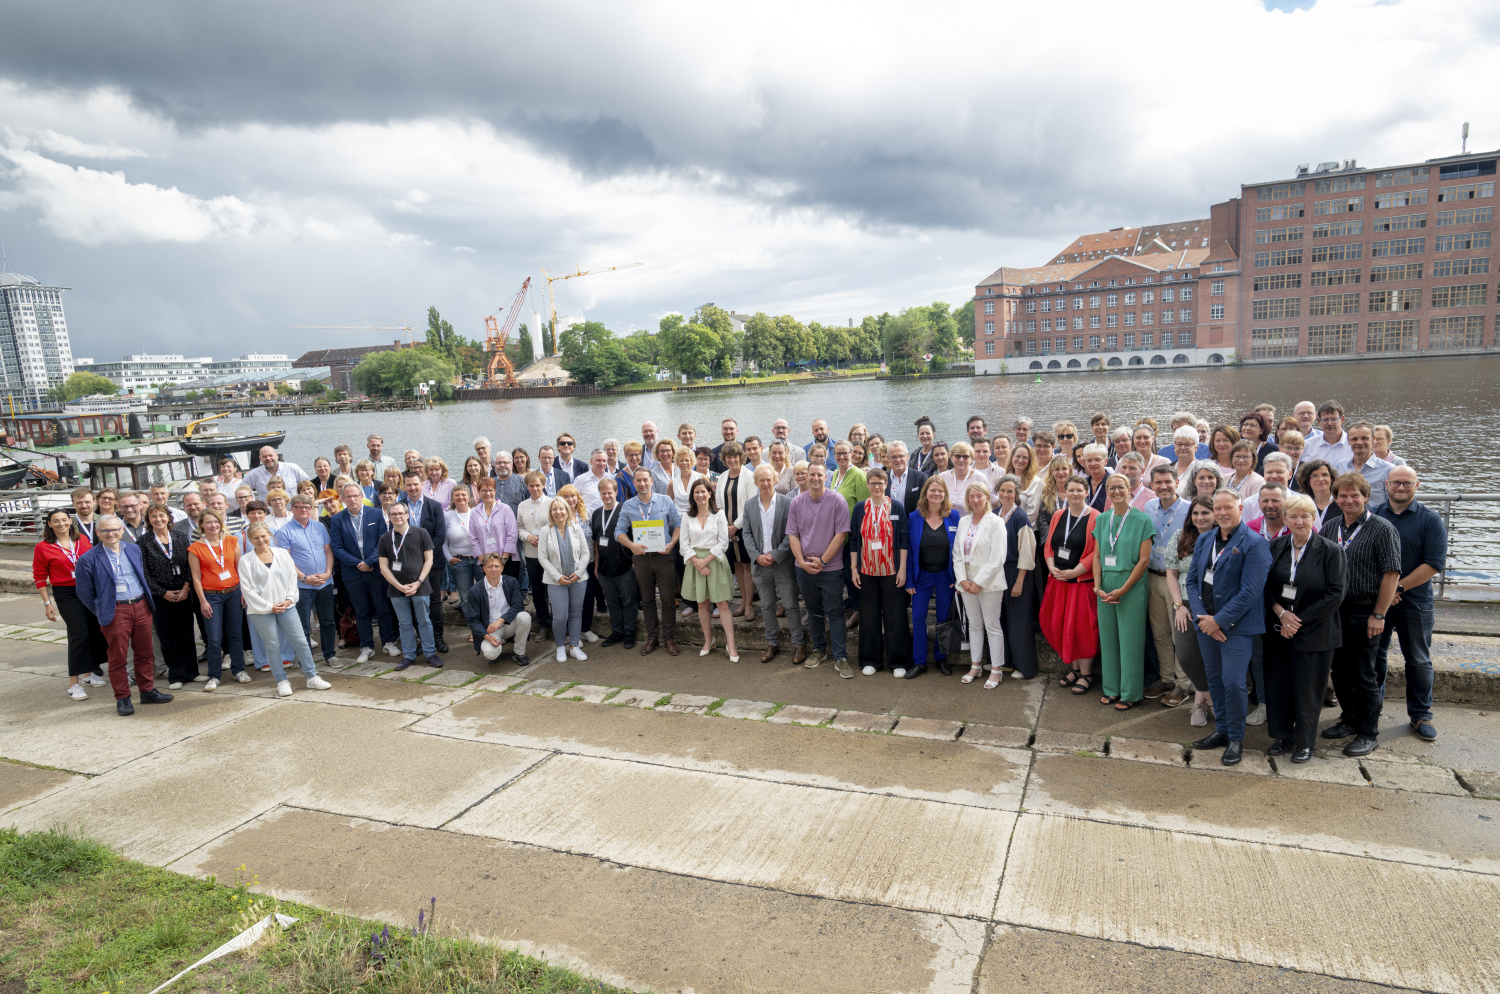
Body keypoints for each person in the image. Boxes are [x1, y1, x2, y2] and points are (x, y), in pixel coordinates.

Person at [1186, 490, 1272, 766]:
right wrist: (1202, 617)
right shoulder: (1204, 538)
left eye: (1227, 508)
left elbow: (1250, 592)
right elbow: (1192, 581)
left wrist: (1218, 621)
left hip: (1236, 626)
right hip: (1206, 624)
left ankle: (1236, 738)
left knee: (1234, 683)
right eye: (1217, 508)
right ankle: (1221, 730)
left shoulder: (1255, 543)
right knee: (1214, 679)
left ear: (1240, 507)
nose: (1222, 513)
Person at [1319, 472, 1402, 757]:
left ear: (1366, 497)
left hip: (1365, 609)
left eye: (1355, 495)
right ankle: (1350, 719)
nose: (1348, 500)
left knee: (1364, 673)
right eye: (1342, 495)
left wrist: (1378, 615)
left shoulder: (1382, 528)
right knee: (1339, 670)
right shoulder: (1329, 527)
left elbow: (1391, 574)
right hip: (1334, 611)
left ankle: (1368, 732)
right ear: (1336, 498)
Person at [1264, 493, 1347, 763]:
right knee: (1280, 686)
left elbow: (1335, 594)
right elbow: (1265, 587)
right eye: (1293, 516)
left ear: (1314, 519)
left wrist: (1296, 620)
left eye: (1305, 516)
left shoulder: (1331, 551)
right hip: (1279, 630)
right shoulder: (1274, 546)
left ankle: (1304, 742)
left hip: (1315, 631)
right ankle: (1283, 736)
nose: (1299, 521)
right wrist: (1279, 612)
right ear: (1285, 519)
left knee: (1308, 690)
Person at [1375, 465, 1447, 742]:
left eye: (1407, 483)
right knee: (1375, 658)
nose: (1401, 487)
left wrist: (1398, 587)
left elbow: (1433, 564)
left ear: (1417, 485)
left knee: (1418, 660)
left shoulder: (1430, 520)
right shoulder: (1374, 516)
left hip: (1415, 603)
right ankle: (1373, 710)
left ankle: (1421, 715)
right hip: (1379, 603)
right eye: (1396, 483)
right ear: (1386, 484)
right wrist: (1383, 593)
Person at [75, 515, 172, 716]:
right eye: (105, 531)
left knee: (145, 653)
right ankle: (122, 697)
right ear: (98, 533)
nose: (110, 534)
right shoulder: (88, 559)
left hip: (140, 605)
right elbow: (84, 592)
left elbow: (141, 575)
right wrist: (102, 609)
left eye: (114, 530)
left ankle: (147, 691)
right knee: (118, 657)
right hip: (116, 609)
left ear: (121, 531)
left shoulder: (133, 549)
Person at [239, 522, 331, 696]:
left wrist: (289, 600)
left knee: (301, 642)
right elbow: (247, 589)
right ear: (250, 540)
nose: (261, 540)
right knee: (273, 645)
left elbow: (291, 579)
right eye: (256, 537)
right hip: (261, 610)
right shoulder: (246, 560)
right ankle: (281, 681)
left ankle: (312, 677)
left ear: (270, 535)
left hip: (287, 606)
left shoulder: (282, 554)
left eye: (263, 536)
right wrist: (269, 606)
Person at [1093, 474, 1156, 710]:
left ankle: (1130, 692)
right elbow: (1097, 556)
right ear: (1107, 492)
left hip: (1131, 583)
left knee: (1130, 640)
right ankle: (1111, 689)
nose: (1116, 491)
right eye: (1111, 488)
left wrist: (1124, 589)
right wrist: (1097, 586)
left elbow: (1144, 561)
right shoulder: (1102, 519)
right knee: (1108, 639)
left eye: (1120, 487)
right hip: (1106, 584)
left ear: (1129, 489)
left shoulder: (1142, 520)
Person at [34, 507, 109, 699]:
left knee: (94, 631)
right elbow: (40, 577)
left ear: (70, 521)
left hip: (88, 590)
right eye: (56, 521)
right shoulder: (42, 547)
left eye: (64, 520)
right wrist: (47, 604)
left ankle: (88, 672)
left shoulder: (82, 540)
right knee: (79, 634)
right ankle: (73, 683)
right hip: (66, 593)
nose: (61, 524)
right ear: (49, 524)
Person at [788, 462, 852, 678]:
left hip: (831, 569)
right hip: (803, 568)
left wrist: (822, 561)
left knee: (834, 612)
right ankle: (819, 650)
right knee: (813, 612)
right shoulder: (796, 502)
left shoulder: (837, 500)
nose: (815, 478)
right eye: (811, 474)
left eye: (819, 475)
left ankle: (841, 657)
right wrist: (802, 562)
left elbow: (841, 534)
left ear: (826, 476)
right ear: (806, 476)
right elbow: (793, 535)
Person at [1042, 477, 1100, 693]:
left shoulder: (1096, 517)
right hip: (1059, 582)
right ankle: (1074, 669)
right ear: (1064, 492)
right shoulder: (1059, 515)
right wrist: (1050, 565)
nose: (1075, 494)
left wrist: (1077, 570)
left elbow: (1097, 550)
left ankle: (1086, 674)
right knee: (1062, 625)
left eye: (1079, 490)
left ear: (1087, 492)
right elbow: (1049, 545)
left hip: (1080, 583)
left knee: (1082, 628)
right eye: (1071, 490)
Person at [617, 466, 683, 657]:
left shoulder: (665, 500)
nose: (642, 483)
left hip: (663, 557)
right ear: (634, 483)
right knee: (647, 600)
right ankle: (652, 637)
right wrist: (631, 546)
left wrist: (671, 543)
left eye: (645, 480)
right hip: (641, 559)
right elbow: (618, 532)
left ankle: (669, 638)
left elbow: (678, 524)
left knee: (668, 600)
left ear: (652, 481)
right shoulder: (628, 505)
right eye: (638, 480)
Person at [329, 482, 398, 663]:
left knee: (382, 608)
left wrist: (369, 562)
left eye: (355, 495)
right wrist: (359, 563)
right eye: (348, 496)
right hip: (353, 573)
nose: (352, 499)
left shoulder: (375, 514)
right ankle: (367, 646)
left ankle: (388, 641)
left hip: (375, 570)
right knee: (362, 611)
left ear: (362, 497)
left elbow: (383, 541)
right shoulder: (337, 519)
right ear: (342, 499)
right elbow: (337, 547)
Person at [849, 468, 908, 676]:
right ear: (867, 485)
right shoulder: (860, 508)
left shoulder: (896, 507)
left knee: (896, 616)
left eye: (880, 483)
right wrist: (854, 569)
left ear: (886, 484)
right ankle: (870, 660)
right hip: (866, 571)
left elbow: (903, 539)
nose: (876, 487)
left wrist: (902, 569)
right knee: (868, 616)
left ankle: (898, 661)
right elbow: (855, 539)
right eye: (872, 483)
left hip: (891, 570)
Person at [742, 463, 802, 663]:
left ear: (775, 480)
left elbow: (792, 533)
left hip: (782, 563)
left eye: (769, 479)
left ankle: (798, 645)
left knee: (791, 605)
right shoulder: (750, 505)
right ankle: (771, 644)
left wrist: (776, 555)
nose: (766, 483)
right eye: (762, 480)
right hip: (760, 564)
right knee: (767, 605)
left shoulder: (788, 503)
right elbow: (747, 533)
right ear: (756, 482)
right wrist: (757, 556)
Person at [1141, 464, 1190, 707]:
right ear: (1151, 485)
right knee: (1160, 633)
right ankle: (1166, 678)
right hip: (1152, 577)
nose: (1163, 486)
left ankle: (1184, 684)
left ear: (1177, 482)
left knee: (1179, 633)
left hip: (1177, 581)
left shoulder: (1191, 510)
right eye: (1158, 482)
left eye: (1167, 482)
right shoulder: (1149, 506)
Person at [902, 476, 960, 679]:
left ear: (945, 494)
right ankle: (919, 662)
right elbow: (908, 551)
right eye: (932, 490)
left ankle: (941, 658)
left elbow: (960, 551)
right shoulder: (914, 517)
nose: (936, 494)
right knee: (918, 617)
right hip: (922, 576)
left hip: (946, 576)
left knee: (943, 619)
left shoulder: (954, 516)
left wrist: (958, 577)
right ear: (925, 493)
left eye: (940, 491)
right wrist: (909, 580)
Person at [187, 507, 252, 690]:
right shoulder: (195, 548)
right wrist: (202, 601)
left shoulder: (232, 541)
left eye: (216, 521)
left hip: (234, 593)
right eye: (208, 522)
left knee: (235, 634)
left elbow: (240, 569)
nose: (213, 525)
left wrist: (244, 593)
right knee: (214, 638)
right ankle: (214, 675)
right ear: (201, 525)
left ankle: (239, 670)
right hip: (211, 597)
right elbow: (196, 578)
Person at [1165, 496, 1217, 726]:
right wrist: (1178, 606)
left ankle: (1200, 703)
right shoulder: (1180, 537)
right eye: (1196, 513)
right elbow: (1172, 574)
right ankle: (1211, 698)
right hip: (1185, 605)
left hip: (1214, 607)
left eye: (1206, 513)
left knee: (1213, 658)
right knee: (1187, 656)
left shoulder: (1223, 538)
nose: (1200, 518)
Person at [953, 480, 1007, 688]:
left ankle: (996, 670)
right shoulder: (963, 521)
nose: (975, 500)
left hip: (989, 584)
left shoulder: (996, 522)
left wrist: (979, 582)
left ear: (987, 498)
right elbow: (957, 553)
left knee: (992, 626)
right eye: (972, 496)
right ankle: (975, 666)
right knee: (974, 625)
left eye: (979, 496)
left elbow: (997, 558)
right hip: (966, 583)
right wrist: (962, 580)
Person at [139, 503, 198, 689]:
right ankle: (177, 675)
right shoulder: (143, 541)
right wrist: (162, 593)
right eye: (153, 516)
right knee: (167, 635)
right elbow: (143, 572)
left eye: (161, 515)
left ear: (168, 517)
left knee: (186, 633)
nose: (158, 519)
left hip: (183, 592)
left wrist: (186, 587)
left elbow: (190, 565)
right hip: (161, 596)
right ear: (148, 520)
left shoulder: (180, 537)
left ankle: (192, 672)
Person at [275, 494, 337, 668]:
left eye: (307, 506)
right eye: (299, 506)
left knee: (328, 622)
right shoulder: (284, 532)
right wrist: (304, 577)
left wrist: (328, 572)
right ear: (292, 509)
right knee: (302, 626)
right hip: (302, 586)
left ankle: (329, 655)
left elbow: (328, 551)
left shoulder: (319, 527)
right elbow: (286, 560)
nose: (303, 509)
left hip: (324, 582)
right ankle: (306, 659)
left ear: (311, 509)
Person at [681, 478, 739, 662]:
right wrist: (697, 562)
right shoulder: (687, 516)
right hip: (695, 562)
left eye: (703, 492)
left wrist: (705, 561)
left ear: (710, 493)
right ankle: (708, 641)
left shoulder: (719, 514)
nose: (700, 495)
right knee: (702, 604)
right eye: (696, 492)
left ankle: (731, 645)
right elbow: (683, 544)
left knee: (722, 604)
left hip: (714, 561)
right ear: (693, 496)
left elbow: (723, 542)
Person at [379, 500, 439, 670]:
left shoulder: (421, 533)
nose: (397, 516)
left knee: (424, 621)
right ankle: (409, 655)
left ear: (407, 515)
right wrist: (398, 586)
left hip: (420, 586)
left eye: (400, 513)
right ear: (389, 517)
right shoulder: (385, 538)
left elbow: (429, 560)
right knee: (404, 623)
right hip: (396, 589)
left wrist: (418, 582)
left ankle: (430, 653)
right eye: (393, 514)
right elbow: (384, 567)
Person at [992, 474, 1037, 680]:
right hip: (997, 573)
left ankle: (1024, 666)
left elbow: (1027, 552)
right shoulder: (993, 514)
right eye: (1002, 490)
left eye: (1010, 491)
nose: (1006, 494)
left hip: (1016, 572)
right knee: (999, 619)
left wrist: (1019, 581)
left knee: (1018, 620)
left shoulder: (1020, 517)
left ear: (1016, 494)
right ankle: (1005, 662)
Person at [399, 470, 448, 652]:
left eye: (416, 484)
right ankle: (422, 639)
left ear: (422, 484)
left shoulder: (434, 506)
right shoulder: (398, 507)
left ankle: (438, 639)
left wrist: (424, 557)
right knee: (414, 602)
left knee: (434, 602)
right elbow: (394, 537)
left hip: (433, 563)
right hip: (408, 566)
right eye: (409, 485)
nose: (412, 488)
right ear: (404, 486)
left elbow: (440, 535)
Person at [538, 495, 591, 663]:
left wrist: (579, 572)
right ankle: (560, 647)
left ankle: (574, 647)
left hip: (578, 579)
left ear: (567, 511)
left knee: (576, 614)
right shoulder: (545, 531)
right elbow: (543, 558)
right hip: (556, 581)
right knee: (560, 617)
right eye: (555, 509)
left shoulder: (576, 528)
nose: (558, 512)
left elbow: (585, 553)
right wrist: (558, 576)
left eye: (561, 509)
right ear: (551, 512)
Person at [591, 475, 637, 648]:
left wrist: (634, 562)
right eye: (603, 493)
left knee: (628, 600)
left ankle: (629, 632)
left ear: (616, 492)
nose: (606, 496)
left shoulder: (626, 510)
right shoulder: (596, 514)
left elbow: (634, 537)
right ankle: (617, 632)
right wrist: (596, 564)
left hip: (625, 566)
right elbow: (596, 541)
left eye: (609, 492)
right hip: (604, 568)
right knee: (612, 602)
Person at [714, 441, 757, 618]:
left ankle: (748, 606)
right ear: (724, 459)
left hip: (744, 527)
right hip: (727, 529)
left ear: (741, 457)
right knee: (737, 566)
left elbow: (750, 504)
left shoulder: (749, 476)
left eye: (735, 456)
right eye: (728, 457)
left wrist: (735, 526)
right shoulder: (722, 477)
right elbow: (717, 504)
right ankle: (741, 603)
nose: (732, 459)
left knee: (747, 566)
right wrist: (725, 526)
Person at [467, 552, 532, 664]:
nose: (493, 569)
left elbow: (518, 605)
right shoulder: (475, 590)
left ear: (502, 568)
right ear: (484, 569)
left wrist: (500, 621)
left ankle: (518, 652)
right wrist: (487, 637)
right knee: (491, 655)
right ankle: (495, 651)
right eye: (490, 566)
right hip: (489, 630)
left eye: (497, 566)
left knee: (524, 616)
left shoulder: (511, 582)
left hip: (508, 624)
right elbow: (473, 620)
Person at [516, 470, 555, 635]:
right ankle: (544, 624)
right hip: (532, 554)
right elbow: (519, 527)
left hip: (551, 554)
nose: (535, 488)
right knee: (538, 591)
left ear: (544, 485)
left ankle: (558, 623)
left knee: (553, 589)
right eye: (531, 485)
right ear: (527, 487)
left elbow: (558, 526)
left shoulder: (552, 503)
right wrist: (528, 536)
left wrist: (544, 537)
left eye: (538, 485)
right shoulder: (522, 505)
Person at [1338, 421, 1395, 508]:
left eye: (1364, 438)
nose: (1359, 442)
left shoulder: (1388, 470)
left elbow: (1393, 504)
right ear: (1348, 441)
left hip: (1376, 520)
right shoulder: (1340, 466)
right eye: (1354, 439)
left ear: (1373, 439)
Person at [242, 445, 309, 499]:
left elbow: (309, 485)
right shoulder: (254, 474)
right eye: (264, 457)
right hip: (267, 513)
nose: (268, 458)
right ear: (260, 459)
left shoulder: (292, 468)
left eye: (270, 455)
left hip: (292, 511)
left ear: (276, 456)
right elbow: (241, 490)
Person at [1243, 452, 1294, 520]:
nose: (1274, 476)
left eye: (1279, 472)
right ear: (1264, 474)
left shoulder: (1302, 502)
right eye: (1269, 472)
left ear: (1290, 474)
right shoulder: (1250, 504)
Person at [884, 441, 927, 514]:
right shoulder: (883, 477)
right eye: (894, 457)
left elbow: (925, 504)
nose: (898, 460)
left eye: (901, 456)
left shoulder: (921, 478)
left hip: (911, 522)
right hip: (888, 523)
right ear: (888, 458)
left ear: (907, 456)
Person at [1297, 459, 1338, 529]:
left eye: (1325, 475)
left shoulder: (1341, 503)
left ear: (1331, 479)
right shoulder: (1303, 505)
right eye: (1314, 476)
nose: (1320, 479)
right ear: (1307, 481)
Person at [1078, 444, 1110, 511]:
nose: (1093, 463)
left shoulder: (1113, 483)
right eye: (1089, 460)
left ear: (1105, 461)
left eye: (1097, 460)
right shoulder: (1082, 484)